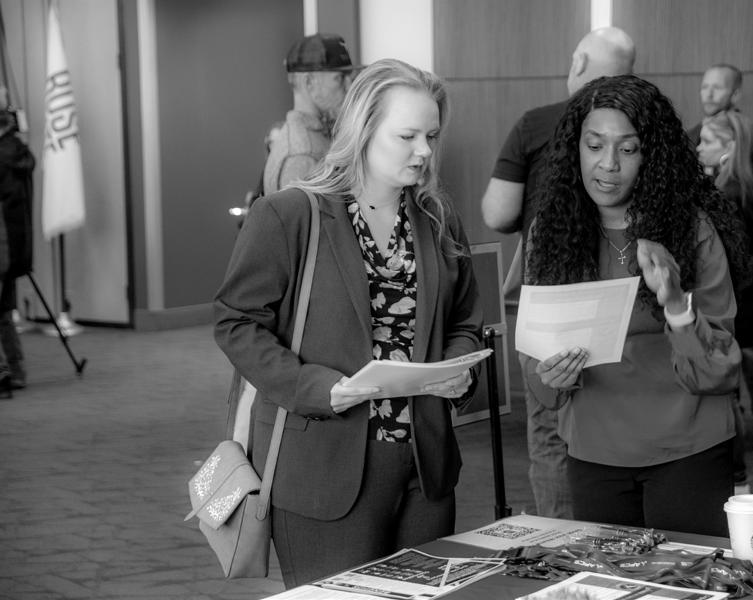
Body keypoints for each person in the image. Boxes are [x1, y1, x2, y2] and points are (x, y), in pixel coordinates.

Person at [215, 58, 484, 587]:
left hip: (425, 468)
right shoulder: (289, 215)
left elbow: (465, 320)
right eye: (407, 136)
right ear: (363, 130)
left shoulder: (437, 217)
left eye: (431, 136)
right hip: (323, 466)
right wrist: (317, 387)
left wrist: (458, 369)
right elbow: (236, 322)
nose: (424, 151)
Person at [522, 75, 751, 536]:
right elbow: (537, 366)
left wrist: (675, 303)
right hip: (594, 451)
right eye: (594, 146)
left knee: (688, 574)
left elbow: (719, 371)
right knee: (606, 573)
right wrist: (549, 375)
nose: (608, 165)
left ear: (652, 156)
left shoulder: (693, 231)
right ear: (575, 149)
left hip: (689, 448)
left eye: (628, 149)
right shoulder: (550, 235)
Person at [480, 26, 636, 519]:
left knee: (550, 427)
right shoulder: (642, 128)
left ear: (578, 63)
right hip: (628, 292)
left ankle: (560, 539)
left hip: (554, 288)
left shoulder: (538, 124)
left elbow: (498, 214)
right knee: (619, 416)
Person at [687, 63, 753, 452]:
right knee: (726, 342)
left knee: (746, 343)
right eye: (705, 86)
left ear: (736, 93)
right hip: (723, 268)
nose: (709, 94)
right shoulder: (692, 137)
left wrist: (722, 215)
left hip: (740, 270)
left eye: (718, 87)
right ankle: (731, 420)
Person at [697, 110, 753, 477]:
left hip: (736, 299)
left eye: (706, 141)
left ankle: (732, 467)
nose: (698, 148)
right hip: (748, 296)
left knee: (725, 385)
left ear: (729, 147)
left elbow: (727, 259)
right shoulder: (745, 184)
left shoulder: (728, 193)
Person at [262, 33, 358, 196]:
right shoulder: (301, 155)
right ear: (309, 82)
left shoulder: (314, 136)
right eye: (340, 78)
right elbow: (300, 213)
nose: (349, 86)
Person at [0, 104, 33, 396]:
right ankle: (16, 369)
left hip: (2, 244)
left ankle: (4, 373)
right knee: (5, 311)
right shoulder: (18, 151)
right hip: (14, 245)